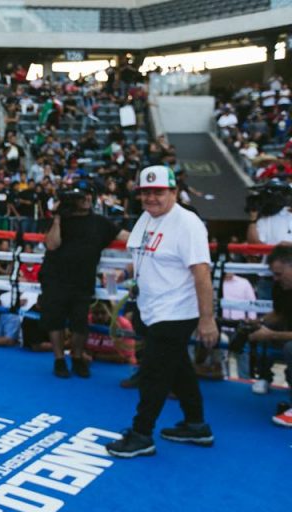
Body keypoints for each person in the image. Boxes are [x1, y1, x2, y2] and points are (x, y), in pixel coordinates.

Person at [106, 165, 219, 458]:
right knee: (178, 367)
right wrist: (126, 271)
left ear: (173, 192)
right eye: (146, 193)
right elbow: (146, 254)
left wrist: (207, 320)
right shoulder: (146, 218)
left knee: (154, 374)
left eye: (158, 192)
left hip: (176, 312)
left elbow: (202, 273)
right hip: (151, 308)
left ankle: (142, 434)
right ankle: (196, 424)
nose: (151, 198)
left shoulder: (187, 223)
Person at [40, 183, 129, 378]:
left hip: (83, 279)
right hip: (56, 278)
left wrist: (155, 239)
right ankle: (59, 360)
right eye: (82, 196)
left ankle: (78, 357)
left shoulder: (100, 222)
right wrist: (57, 217)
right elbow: (52, 245)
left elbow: (126, 237)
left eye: (89, 194)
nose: (86, 198)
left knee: (80, 322)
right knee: (56, 321)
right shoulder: (61, 219)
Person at [246, 244, 292, 427]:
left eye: (280, 274)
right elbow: (279, 313)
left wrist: (271, 334)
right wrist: (259, 323)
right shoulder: (281, 286)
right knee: (260, 330)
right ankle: (264, 376)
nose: (276, 278)